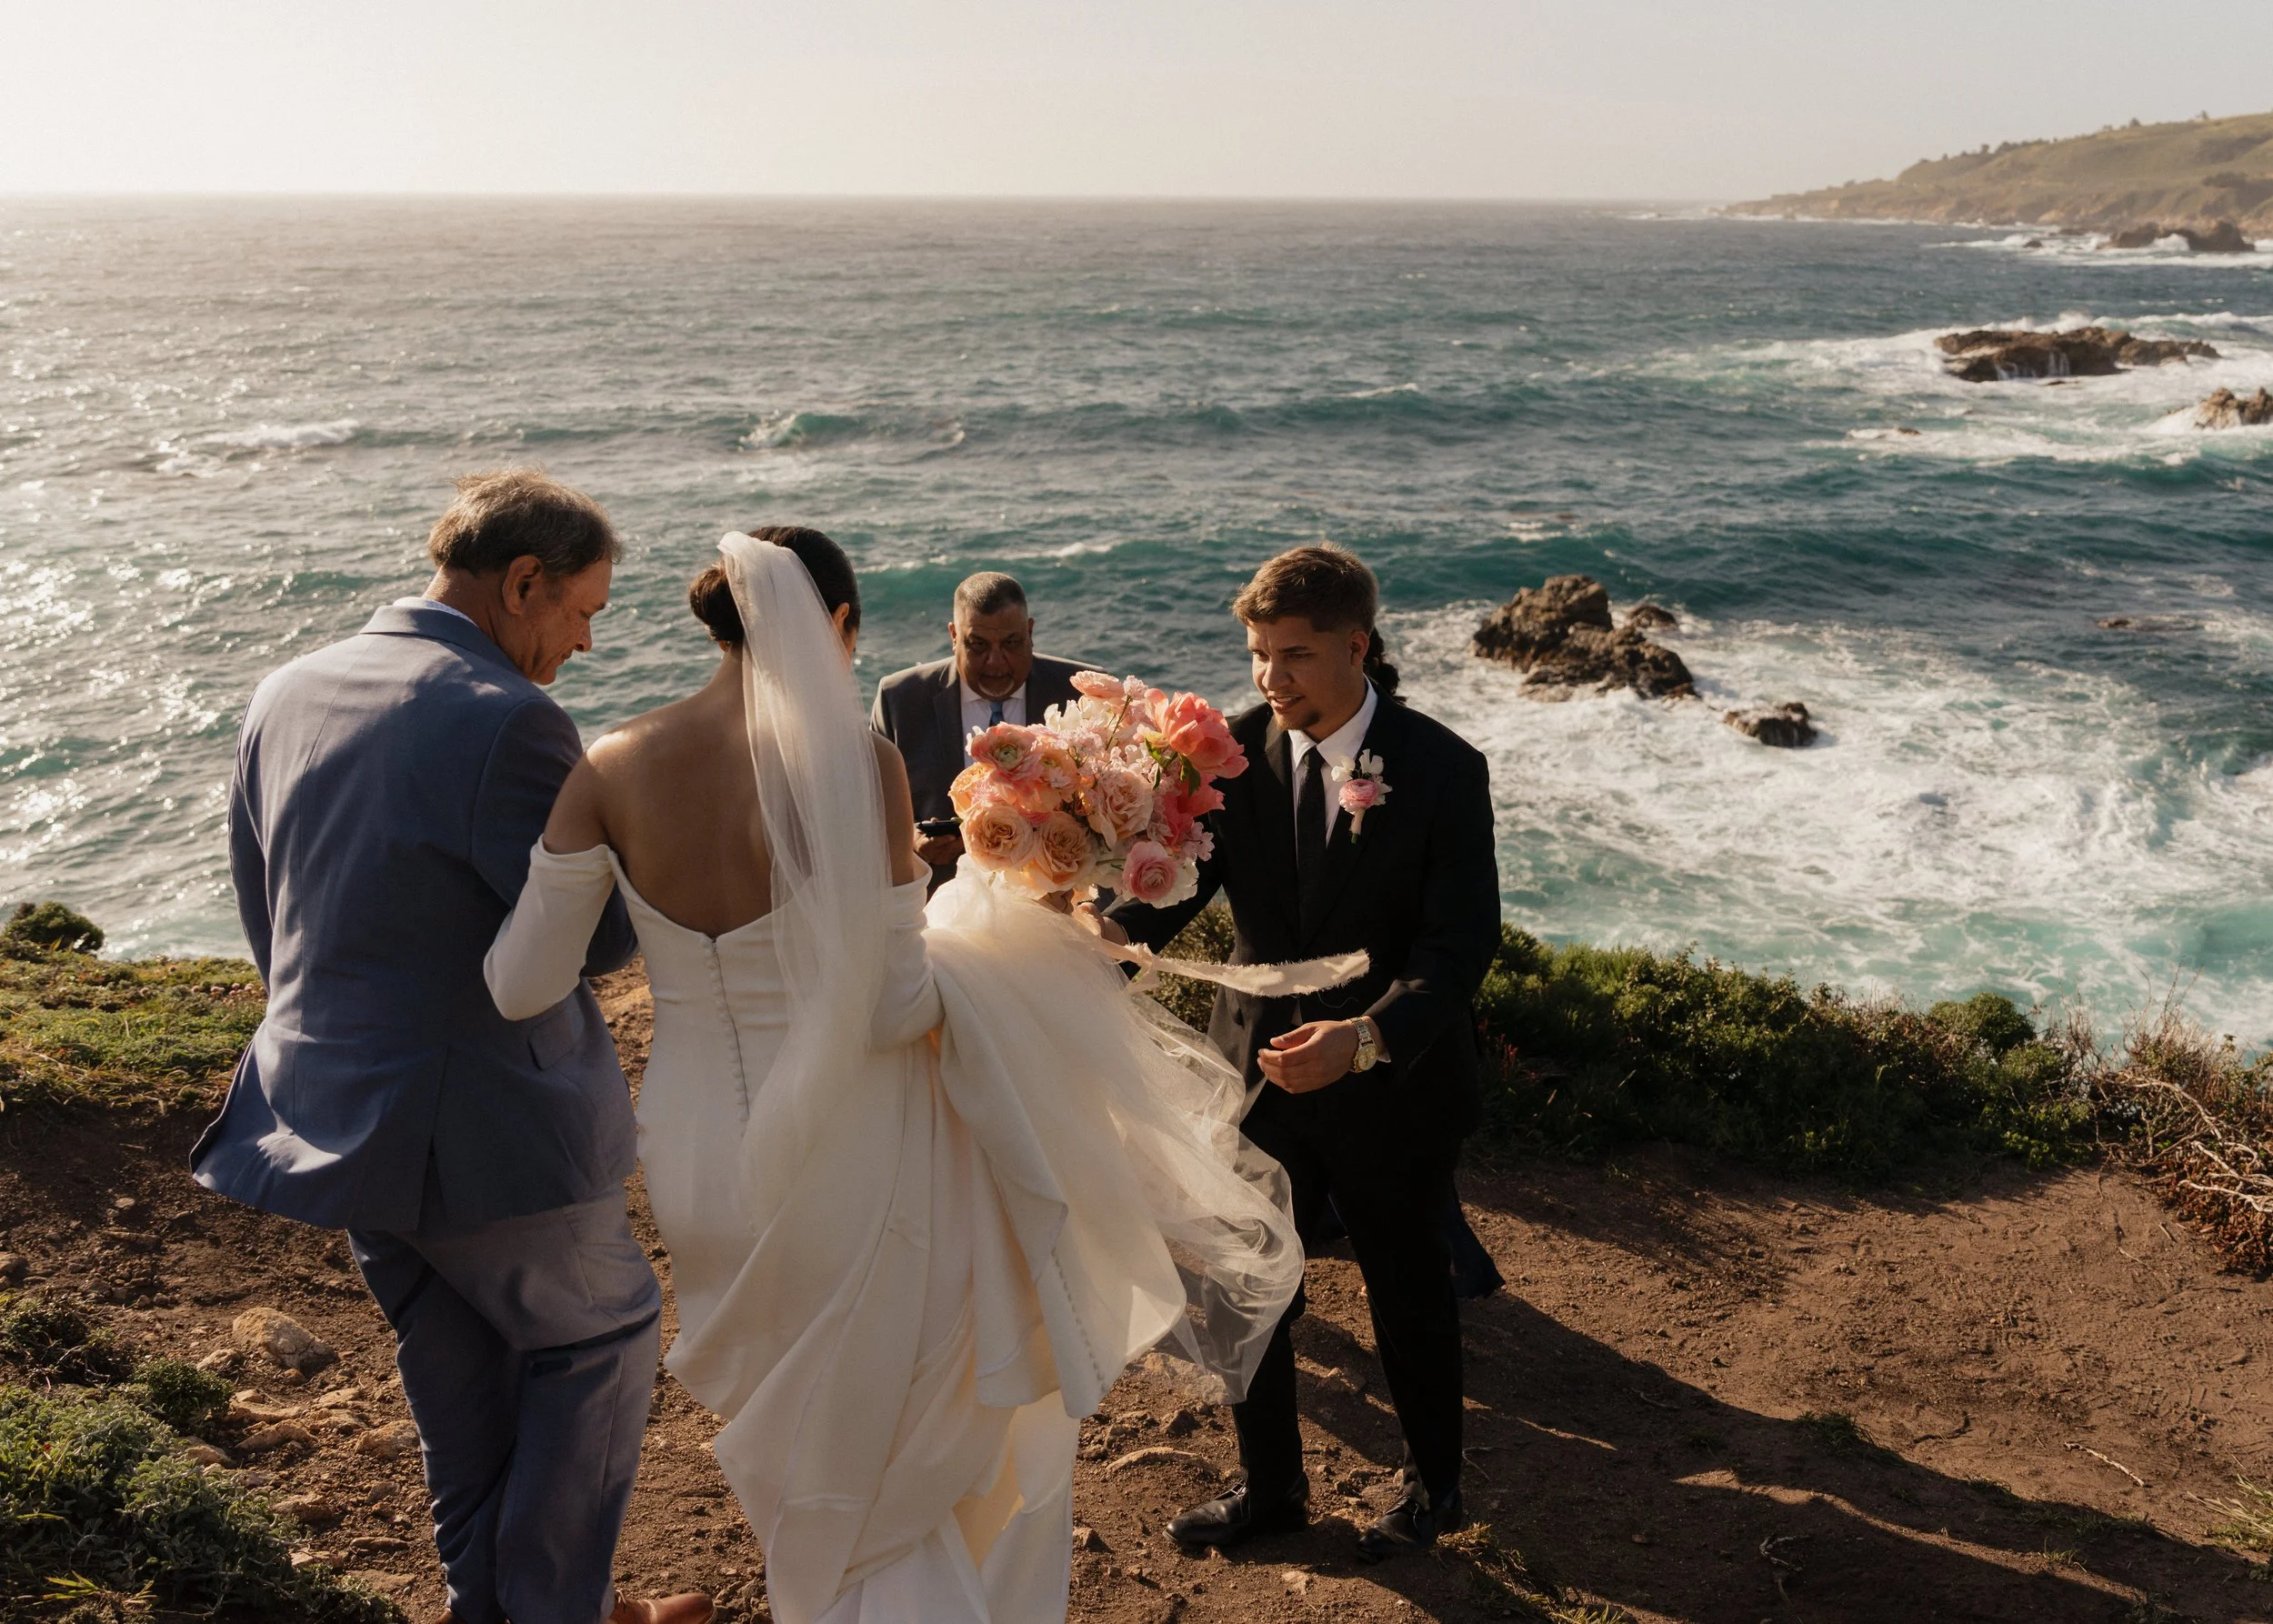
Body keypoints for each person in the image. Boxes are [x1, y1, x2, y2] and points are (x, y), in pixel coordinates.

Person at [485, 527, 1300, 1624]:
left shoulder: (612, 762)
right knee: (870, 1442)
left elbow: (521, 983)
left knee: (788, 1430)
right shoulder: (855, 764)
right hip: (840, 1151)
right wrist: (1004, 934)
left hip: (690, 1158)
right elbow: (896, 1004)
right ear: (832, 626)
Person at [192, 470, 712, 1624]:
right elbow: (594, 937)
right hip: (483, 1137)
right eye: (581, 609)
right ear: (521, 581)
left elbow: (261, 908)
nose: (583, 640)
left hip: (327, 1118)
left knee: (463, 1389)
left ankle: (505, 1606)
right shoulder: (505, 716)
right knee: (602, 1338)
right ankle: (557, 1609)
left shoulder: (287, 687)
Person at [1101, 545, 1501, 1562]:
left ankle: (1433, 1489)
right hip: (1258, 1076)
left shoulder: (1444, 768)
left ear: (1356, 647)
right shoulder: (1228, 756)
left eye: (1292, 656)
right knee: (1251, 1284)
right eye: (1255, 655)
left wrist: (1366, 1039)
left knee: (1403, 1287)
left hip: (1391, 1085)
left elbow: (1462, 945)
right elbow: (1176, 892)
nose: (1267, 679)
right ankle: (1270, 1488)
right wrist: (1092, 942)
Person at [869, 572, 1085, 887]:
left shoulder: (1079, 692)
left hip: (1053, 898)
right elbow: (868, 815)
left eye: (1011, 643)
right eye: (978, 645)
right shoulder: (899, 700)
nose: (995, 663)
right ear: (954, 636)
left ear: (1030, 631)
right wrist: (912, 845)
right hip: (938, 901)